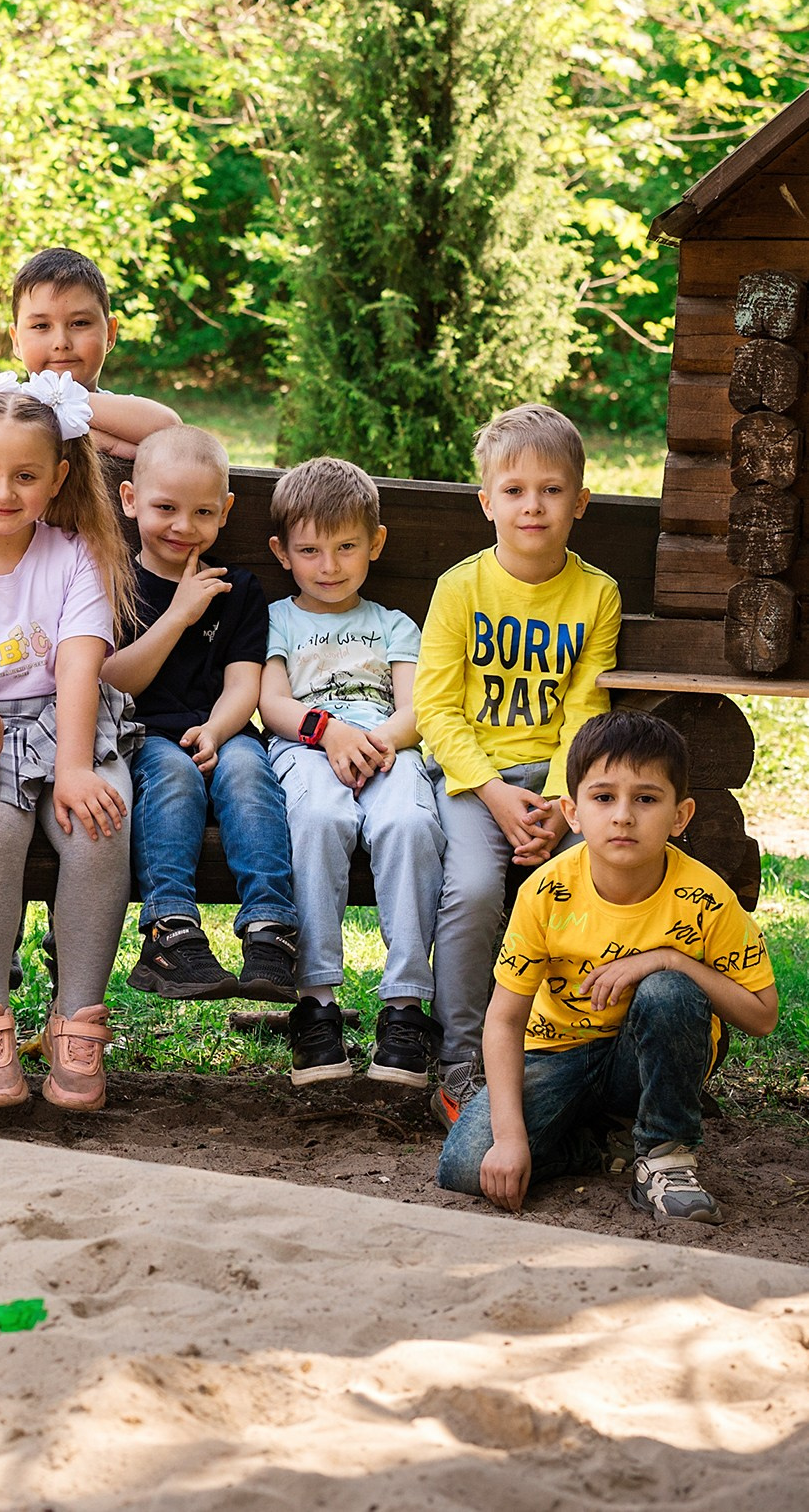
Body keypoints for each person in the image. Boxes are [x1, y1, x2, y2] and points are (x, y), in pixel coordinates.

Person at [437, 711, 774, 1225]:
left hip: (642, 1063)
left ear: (680, 815)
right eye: (603, 797)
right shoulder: (547, 892)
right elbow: (504, 1021)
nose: (622, 816)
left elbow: (762, 1016)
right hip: (558, 1055)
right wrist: (509, 1140)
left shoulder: (706, 898)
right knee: (466, 1166)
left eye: (645, 798)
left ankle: (665, 1156)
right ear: (572, 812)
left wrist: (670, 958)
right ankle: (601, 1148)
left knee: (669, 989)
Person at [0, 367, 134, 1112]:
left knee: (101, 821)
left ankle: (77, 1017)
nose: (3, 492)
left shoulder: (73, 555)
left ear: (58, 477)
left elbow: (79, 665)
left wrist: (75, 767)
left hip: (71, 718)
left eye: (25, 476)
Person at [416, 403, 622, 1126]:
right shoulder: (460, 588)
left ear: (580, 501)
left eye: (552, 489)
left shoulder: (596, 595)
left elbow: (584, 712)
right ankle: (464, 1061)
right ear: (487, 502)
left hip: (564, 785)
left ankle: (581, 1049)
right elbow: (437, 711)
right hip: (477, 783)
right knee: (474, 890)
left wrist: (565, 803)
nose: (532, 504)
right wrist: (499, 796)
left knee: (591, 882)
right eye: (514, 490)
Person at [259, 458, 444, 1089]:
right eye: (310, 551)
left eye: (345, 548)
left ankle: (404, 1009)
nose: (329, 566)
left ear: (376, 544)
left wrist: (375, 740)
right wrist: (329, 734)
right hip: (308, 749)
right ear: (281, 553)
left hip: (388, 748)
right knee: (317, 818)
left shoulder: (393, 625)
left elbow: (418, 710)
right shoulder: (279, 620)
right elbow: (273, 703)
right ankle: (315, 1003)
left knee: (411, 825)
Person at [102, 425, 299, 1003]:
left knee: (248, 772)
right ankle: (170, 932)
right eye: (165, 507)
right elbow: (113, 679)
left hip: (223, 727)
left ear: (226, 511)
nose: (183, 527)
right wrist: (179, 616)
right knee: (173, 775)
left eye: (202, 512)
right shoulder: (115, 578)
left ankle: (270, 930)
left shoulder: (238, 588)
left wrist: (216, 728)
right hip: (142, 733)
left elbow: (245, 681)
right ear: (131, 500)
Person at [7, 247, 182, 459]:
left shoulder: (126, 415)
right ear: (16, 340)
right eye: (41, 326)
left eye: (80, 323)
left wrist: (53, 404)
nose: (61, 343)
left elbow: (171, 432)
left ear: (110, 333)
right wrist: (105, 443)